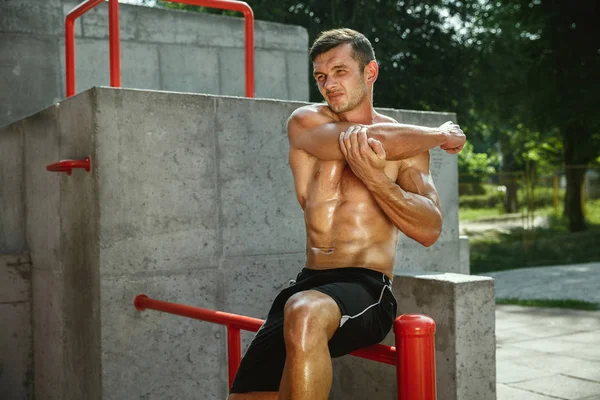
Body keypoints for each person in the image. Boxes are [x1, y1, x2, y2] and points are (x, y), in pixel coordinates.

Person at [228, 28, 465, 400]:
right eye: (321, 76)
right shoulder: (305, 122)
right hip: (306, 284)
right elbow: (361, 140)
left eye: (340, 71)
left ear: (370, 72)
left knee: (304, 313)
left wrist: (377, 180)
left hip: (367, 288)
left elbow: (431, 228)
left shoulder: (407, 148)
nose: (328, 84)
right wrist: (440, 134)